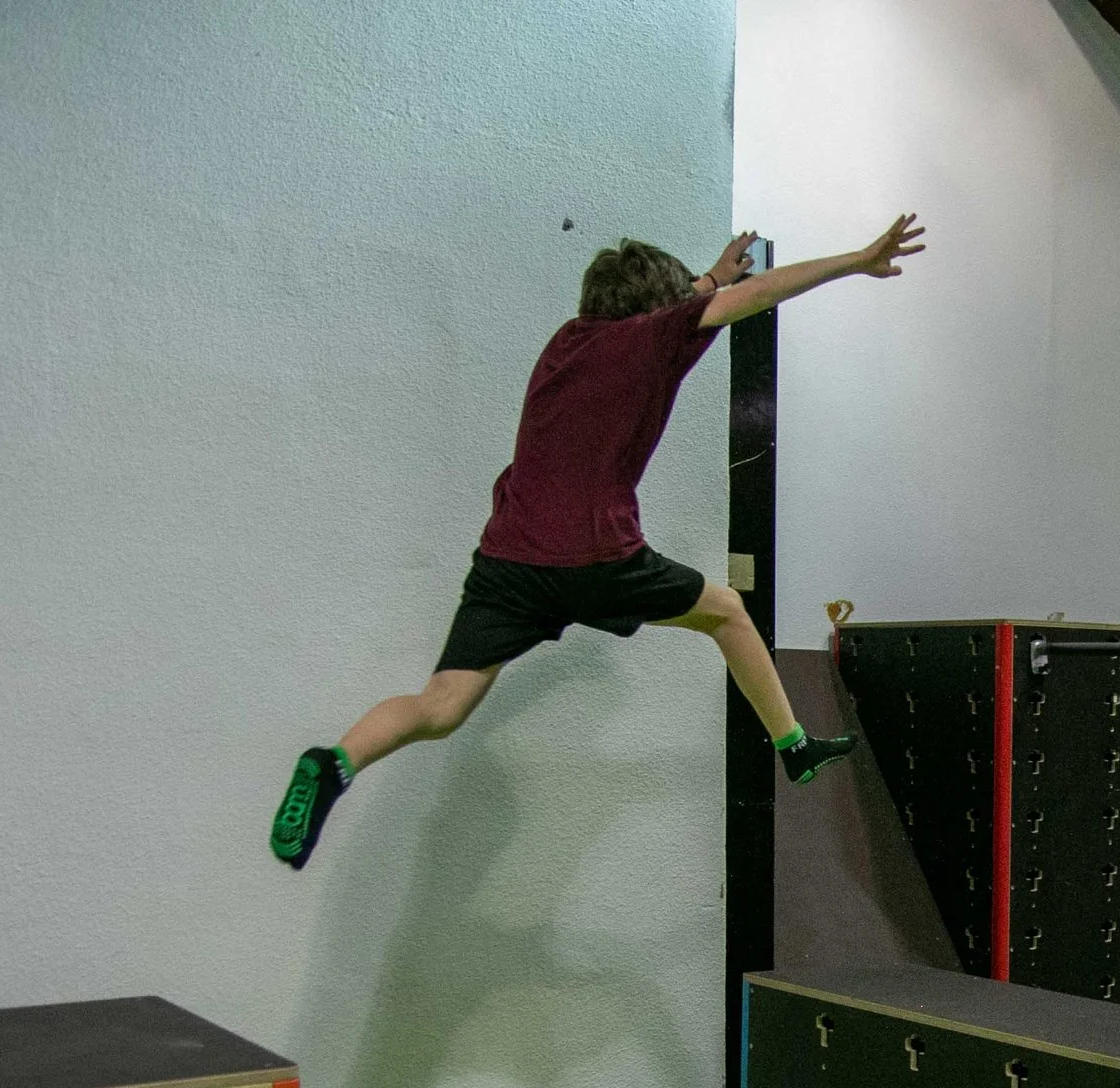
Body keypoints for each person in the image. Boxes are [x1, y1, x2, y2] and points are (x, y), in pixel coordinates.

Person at [269, 215, 927, 868]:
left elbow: (678, 306)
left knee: (439, 706)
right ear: (660, 311)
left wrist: (708, 278)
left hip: (508, 558)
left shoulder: (566, 342)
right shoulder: (652, 340)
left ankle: (336, 761)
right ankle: (793, 744)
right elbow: (757, 295)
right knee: (727, 611)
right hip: (594, 553)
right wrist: (855, 259)